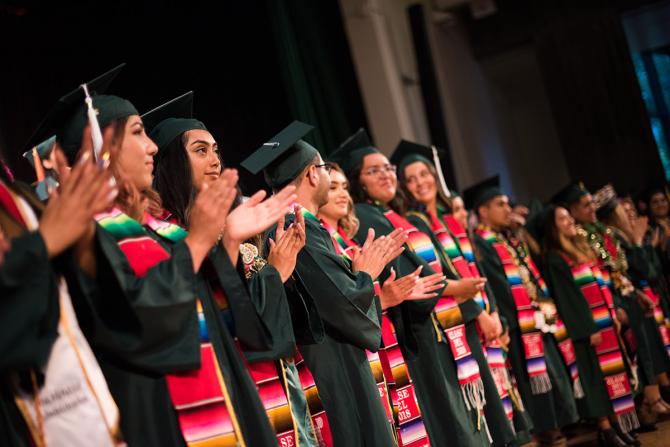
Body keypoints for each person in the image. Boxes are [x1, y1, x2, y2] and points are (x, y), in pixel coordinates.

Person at [29, 66, 291, 446]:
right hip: (159, 416)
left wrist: (227, 242)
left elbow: (220, 323)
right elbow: (135, 321)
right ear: (103, 149)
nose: (152, 146)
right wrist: (199, 242)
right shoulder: (83, 234)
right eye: (138, 133)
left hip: (221, 406)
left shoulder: (161, 232)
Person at [147, 92, 318, 446]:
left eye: (215, 150)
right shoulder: (169, 238)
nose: (214, 160)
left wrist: (277, 270)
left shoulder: (231, 226)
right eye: (200, 150)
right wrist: (275, 273)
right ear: (171, 162)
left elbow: (261, 312)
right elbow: (223, 318)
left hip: (277, 376)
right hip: (236, 385)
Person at [241, 121, 406, 446]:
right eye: (324, 169)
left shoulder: (294, 223)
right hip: (331, 365)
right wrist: (366, 275)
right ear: (312, 175)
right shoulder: (294, 224)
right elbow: (339, 301)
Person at [330, 128, 492, 447]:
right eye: (374, 171)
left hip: (435, 319)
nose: (387, 175)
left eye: (388, 168)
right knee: (448, 417)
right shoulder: (365, 214)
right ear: (359, 181)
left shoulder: (388, 213)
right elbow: (411, 272)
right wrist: (461, 289)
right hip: (421, 325)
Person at [392, 140, 530, 447]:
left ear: (434, 175)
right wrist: (480, 313)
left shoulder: (447, 218)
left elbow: (473, 270)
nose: (420, 183)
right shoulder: (415, 223)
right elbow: (444, 279)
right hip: (460, 323)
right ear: (404, 187)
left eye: (423, 174)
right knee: (484, 410)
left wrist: (493, 312)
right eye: (411, 179)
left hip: (479, 316)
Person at [1, 127, 121, 446]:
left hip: (82, 405)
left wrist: (81, 240)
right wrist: (43, 244)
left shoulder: (19, 200)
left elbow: (79, 304)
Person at [317, 162, 444, 445]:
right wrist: (384, 298)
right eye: (332, 186)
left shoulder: (347, 240)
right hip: (357, 352)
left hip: (383, 340)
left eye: (344, 188)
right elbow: (341, 305)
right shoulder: (323, 244)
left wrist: (396, 293)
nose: (341, 194)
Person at [468, 177, 579, 446]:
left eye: (508, 203)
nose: (508, 209)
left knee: (551, 377)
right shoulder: (481, 243)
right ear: (483, 211)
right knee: (534, 382)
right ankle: (546, 431)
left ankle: (558, 427)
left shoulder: (507, 238)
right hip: (518, 324)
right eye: (500, 204)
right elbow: (498, 285)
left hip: (537, 319)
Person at [541, 204, 640, 446]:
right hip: (586, 331)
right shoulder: (556, 258)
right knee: (595, 380)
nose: (569, 221)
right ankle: (605, 429)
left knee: (609, 377)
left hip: (604, 324)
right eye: (562, 219)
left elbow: (600, 287)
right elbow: (569, 299)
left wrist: (611, 316)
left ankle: (616, 424)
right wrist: (588, 329)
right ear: (553, 228)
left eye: (568, 217)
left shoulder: (580, 251)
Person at [590, 185, 670, 423]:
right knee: (638, 353)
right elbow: (640, 270)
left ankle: (656, 397)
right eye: (624, 210)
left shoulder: (620, 235)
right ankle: (648, 403)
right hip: (623, 300)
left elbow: (651, 270)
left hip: (636, 296)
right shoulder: (611, 237)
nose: (629, 213)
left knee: (649, 347)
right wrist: (637, 243)